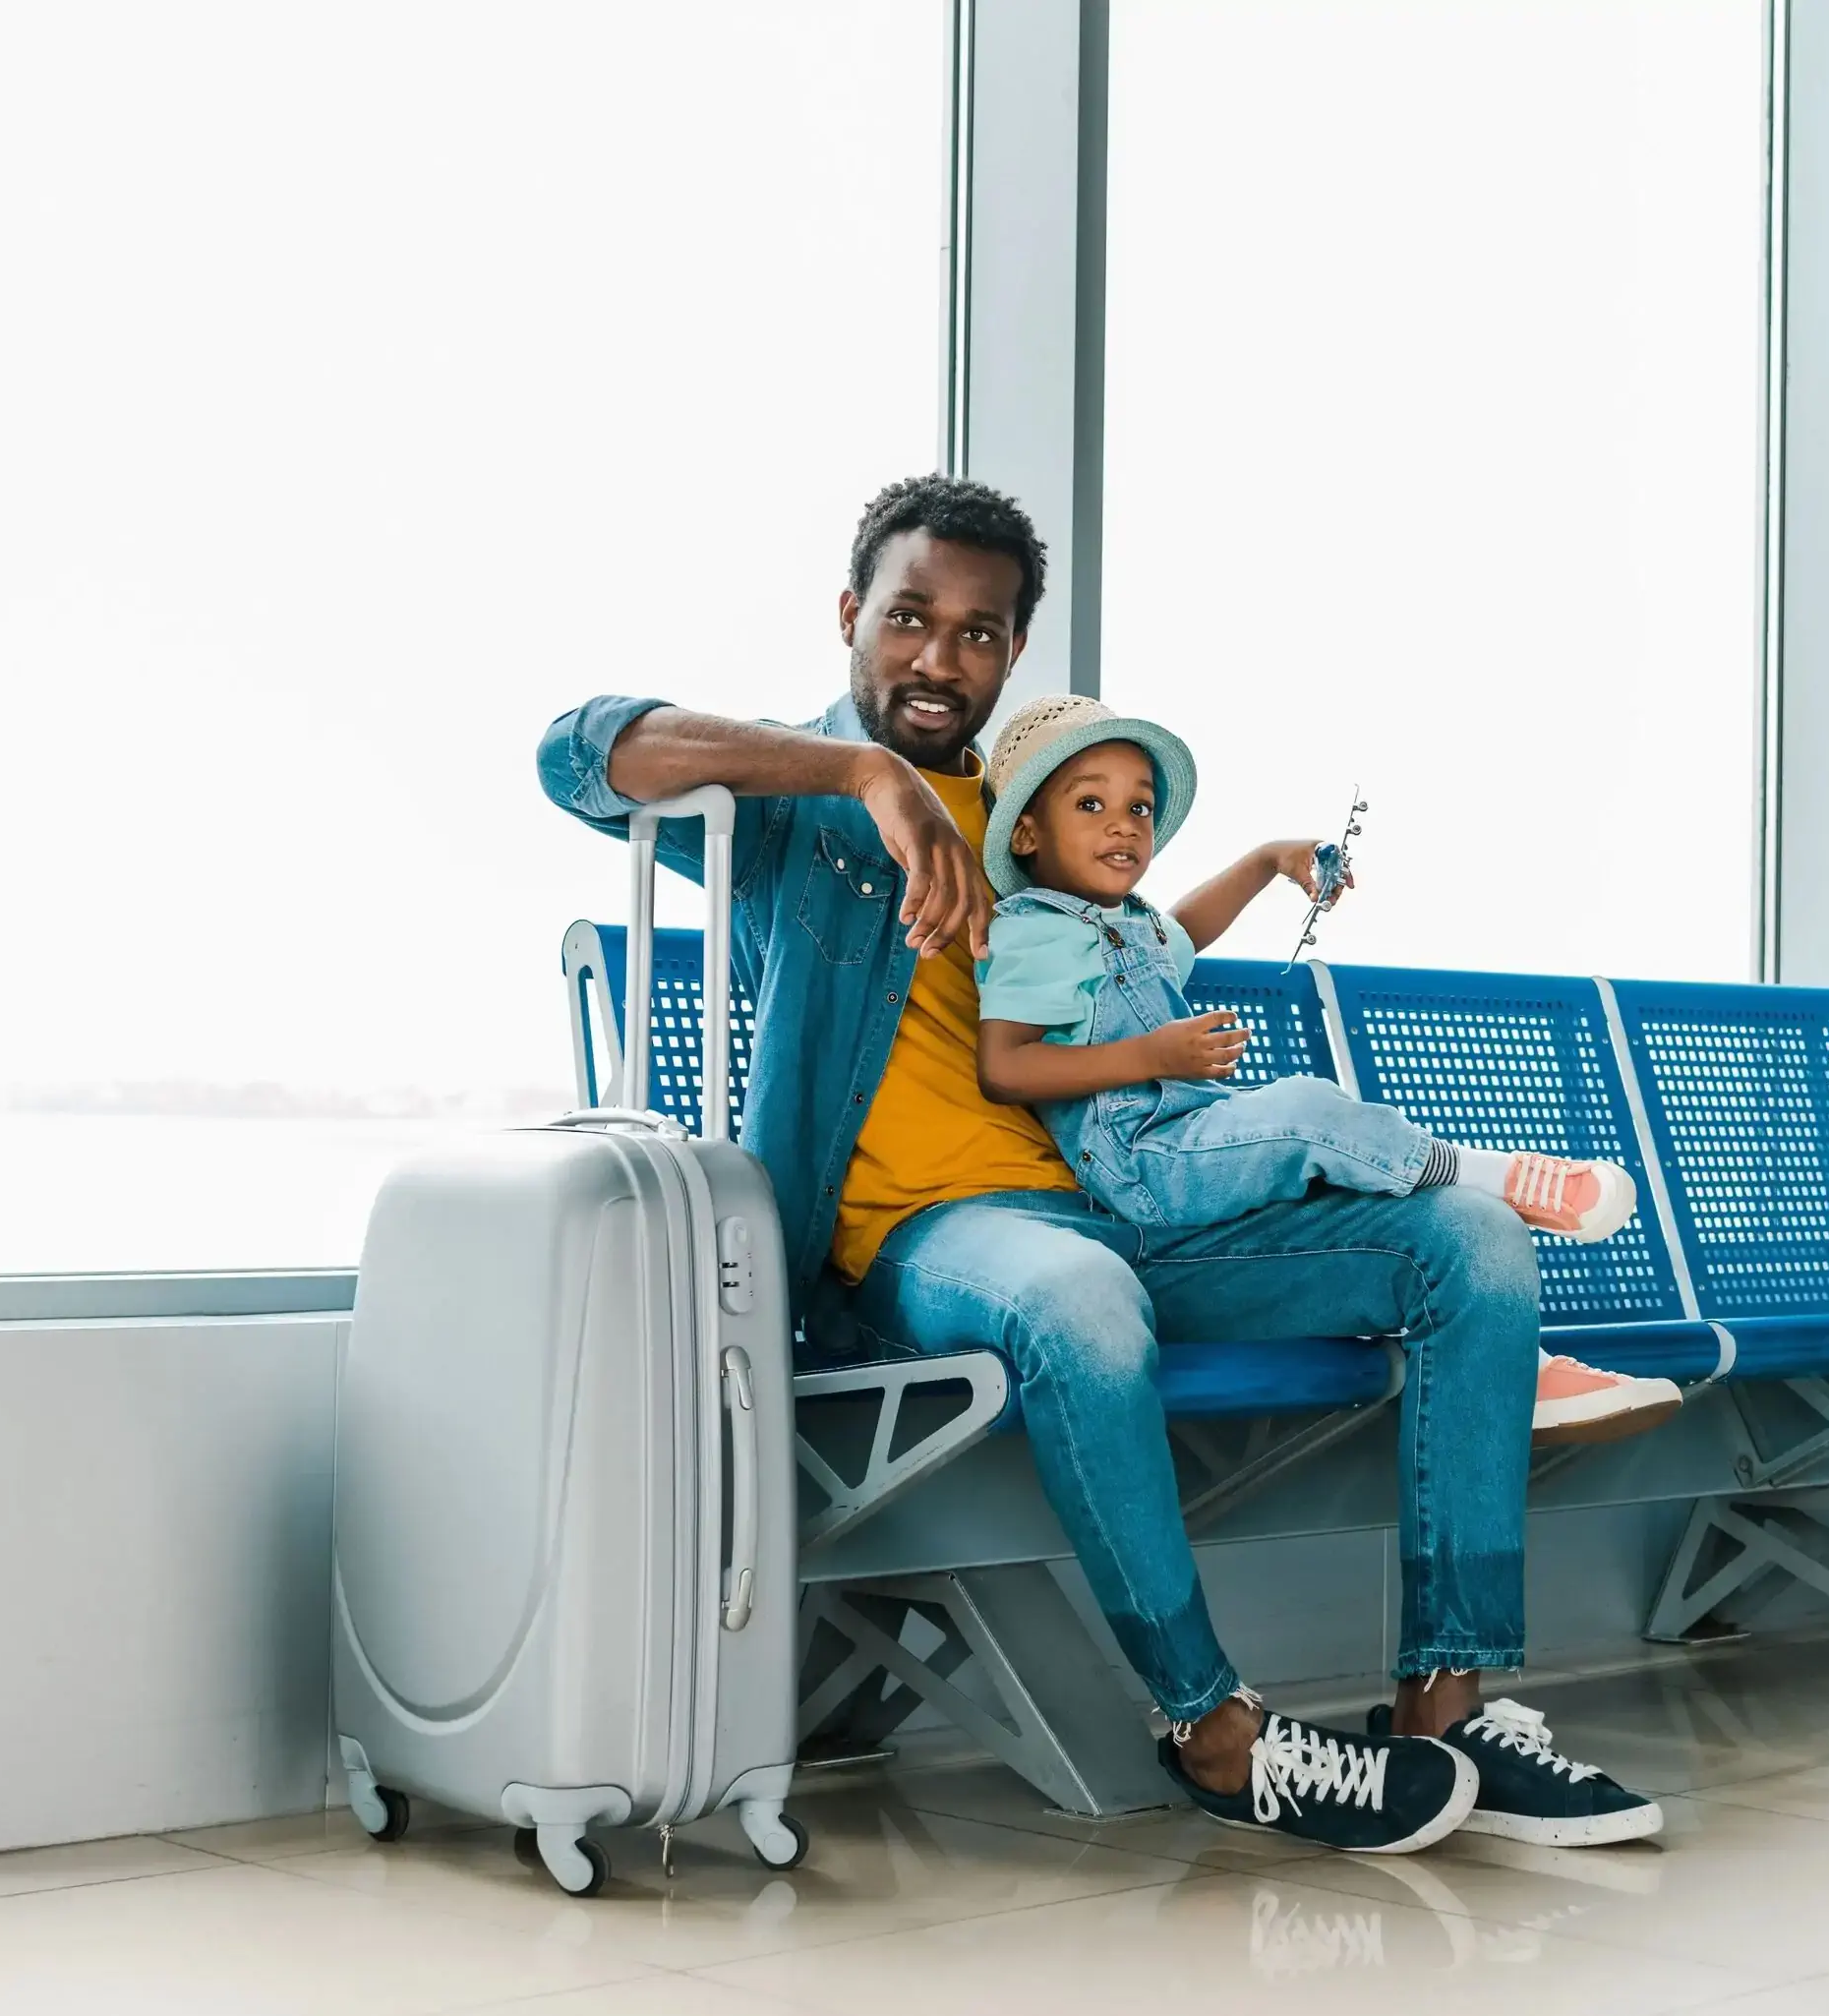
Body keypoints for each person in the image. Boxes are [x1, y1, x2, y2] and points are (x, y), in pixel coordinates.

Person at [537, 473, 1661, 1853]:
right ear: (850, 616)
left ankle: (1446, 1709)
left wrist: (1246, 873)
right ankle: (1212, 1726)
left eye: (980, 632)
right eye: (909, 618)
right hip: (926, 1242)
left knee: (1468, 1240)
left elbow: (1135, 966)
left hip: (1118, 1209)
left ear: (1014, 650)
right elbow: (574, 749)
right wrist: (863, 773)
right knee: (1074, 1292)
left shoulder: (1033, 815)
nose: (940, 658)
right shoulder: (799, 811)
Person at [972, 690, 1685, 1447]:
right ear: (1025, 833)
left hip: (1196, 1144)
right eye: (1091, 803)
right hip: (1149, 1164)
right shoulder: (1032, 933)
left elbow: (1186, 930)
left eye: (1140, 808)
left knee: (1408, 1222)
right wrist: (1151, 1056)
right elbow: (1005, 1066)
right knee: (1307, 1109)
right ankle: (1484, 1172)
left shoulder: (1129, 924)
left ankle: (1523, 1368)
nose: (1123, 824)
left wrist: (1266, 860)